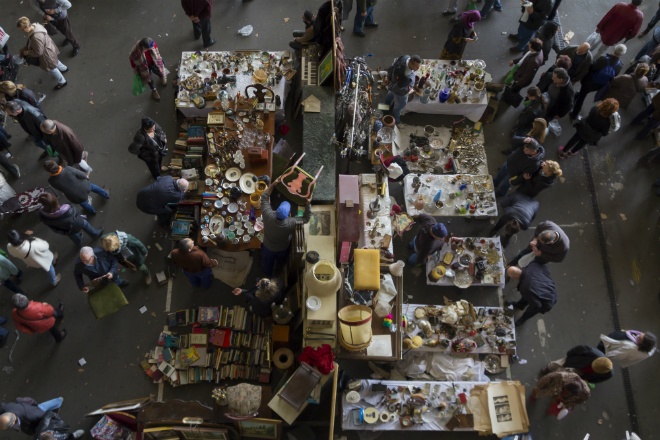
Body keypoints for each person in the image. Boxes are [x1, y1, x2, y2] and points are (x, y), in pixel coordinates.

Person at [261, 177, 312, 277]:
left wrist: (274, 183)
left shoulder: (268, 215)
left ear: (276, 211)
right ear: (289, 214)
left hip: (268, 246)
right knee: (280, 261)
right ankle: (278, 272)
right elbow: (306, 219)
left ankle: (267, 274)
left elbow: (264, 197)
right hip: (282, 248)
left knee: (267, 262)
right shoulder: (291, 222)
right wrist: (308, 204)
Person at [570, 45, 626, 119]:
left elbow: (591, 67)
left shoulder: (603, 59)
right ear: (622, 54)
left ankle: (574, 114)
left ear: (614, 49)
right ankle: (577, 95)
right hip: (599, 85)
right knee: (584, 92)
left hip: (588, 81)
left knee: (582, 97)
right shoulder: (620, 65)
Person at [15, 17, 68, 90]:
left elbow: (38, 52)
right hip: (50, 49)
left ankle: (62, 81)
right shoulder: (36, 25)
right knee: (54, 61)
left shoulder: (36, 37)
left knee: (52, 68)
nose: (22, 30)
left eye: (22, 29)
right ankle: (64, 68)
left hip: (46, 55)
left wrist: (27, 52)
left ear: (27, 27)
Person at [38, 193, 104, 247]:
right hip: (77, 223)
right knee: (85, 224)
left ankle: (78, 242)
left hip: (66, 230)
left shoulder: (43, 215)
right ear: (55, 201)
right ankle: (95, 234)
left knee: (72, 235)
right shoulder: (67, 209)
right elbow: (76, 212)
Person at [44, 160, 109, 214]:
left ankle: (92, 212)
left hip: (74, 196)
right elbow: (83, 175)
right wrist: (86, 177)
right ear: (56, 164)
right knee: (93, 187)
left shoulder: (51, 181)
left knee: (83, 203)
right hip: (84, 186)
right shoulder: (68, 169)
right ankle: (105, 194)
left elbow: (60, 189)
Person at [505, 261, 557, 326]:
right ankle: (520, 305)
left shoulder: (524, 287)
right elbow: (548, 271)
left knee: (531, 309)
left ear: (514, 277)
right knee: (528, 296)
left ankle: (523, 319)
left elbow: (537, 305)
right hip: (549, 288)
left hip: (547, 300)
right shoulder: (532, 265)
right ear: (517, 267)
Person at [543, 345, 614, 384]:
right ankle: (549, 368)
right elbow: (578, 349)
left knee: (566, 376)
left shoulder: (608, 375)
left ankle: (553, 379)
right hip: (576, 361)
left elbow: (597, 380)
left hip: (582, 373)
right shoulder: (593, 352)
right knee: (559, 363)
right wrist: (569, 355)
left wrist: (586, 379)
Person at [383, 54, 421, 125]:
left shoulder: (405, 57)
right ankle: (396, 122)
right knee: (398, 108)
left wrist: (388, 78)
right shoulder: (405, 77)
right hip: (400, 94)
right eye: (416, 67)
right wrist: (391, 87)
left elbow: (392, 66)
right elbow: (397, 87)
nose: (417, 69)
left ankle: (384, 109)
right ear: (410, 63)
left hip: (393, 87)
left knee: (389, 97)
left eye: (419, 66)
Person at [129, 37, 167, 101]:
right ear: (143, 47)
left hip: (154, 61)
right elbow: (132, 59)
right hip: (144, 67)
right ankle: (154, 90)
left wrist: (158, 56)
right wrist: (134, 69)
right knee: (149, 79)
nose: (150, 49)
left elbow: (156, 48)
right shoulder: (135, 50)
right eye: (147, 49)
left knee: (159, 70)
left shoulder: (151, 42)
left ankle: (162, 77)